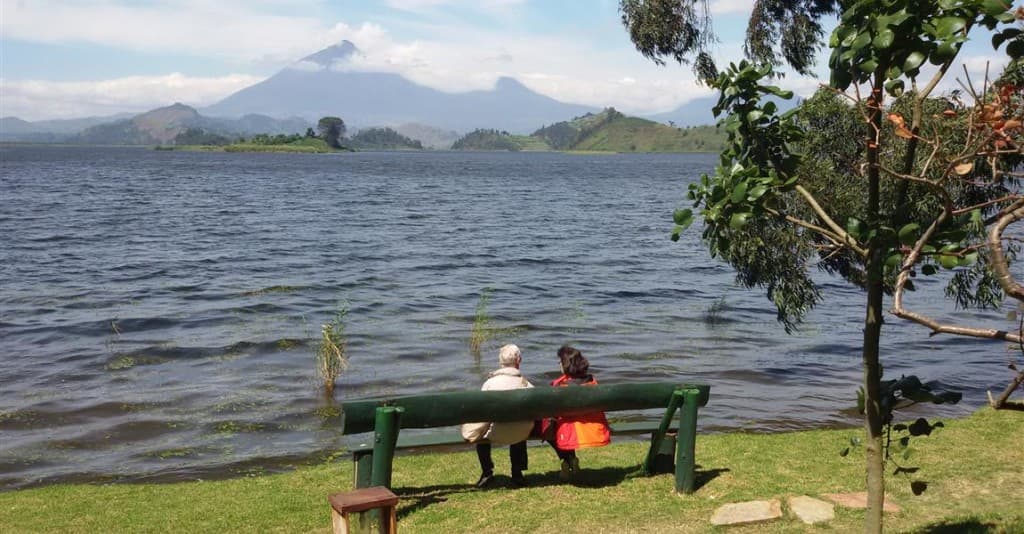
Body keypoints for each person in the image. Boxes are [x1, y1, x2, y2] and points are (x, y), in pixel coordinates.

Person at [460, 343, 534, 488]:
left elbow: (481, 412)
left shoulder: (489, 384)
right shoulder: (526, 385)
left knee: (481, 432)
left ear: (500, 362)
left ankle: (487, 472)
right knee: (519, 424)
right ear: (519, 361)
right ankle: (517, 473)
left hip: (495, 433)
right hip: (520, 434)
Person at [542, 345, 611, 481]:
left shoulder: (560, 387)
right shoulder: (592, 382)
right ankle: (570, 459)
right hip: (592, 427)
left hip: (571, 431)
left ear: (566, 364)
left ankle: (567, 460)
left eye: (560, 361)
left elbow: (552, 411)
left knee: (548, 428)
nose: (558, 363)